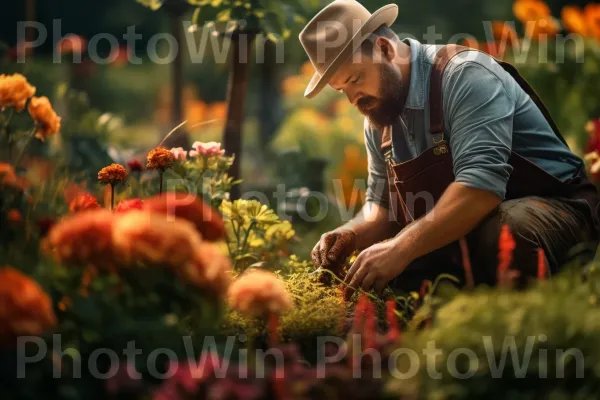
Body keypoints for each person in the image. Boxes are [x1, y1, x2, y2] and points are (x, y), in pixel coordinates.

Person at [299, 0, 600, 295]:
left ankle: (532, 335)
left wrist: (401, 247)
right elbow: (381, 210)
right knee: (391, 272)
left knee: (505, 228)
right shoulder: (379, 118)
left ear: (384, 49)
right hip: (472, 232)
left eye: (355, 79)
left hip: (559, 211)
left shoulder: (464, 76)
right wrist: (349, 235)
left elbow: (480, 188)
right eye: (343, 90)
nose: (353, 99)